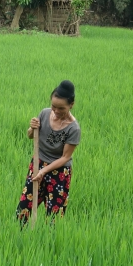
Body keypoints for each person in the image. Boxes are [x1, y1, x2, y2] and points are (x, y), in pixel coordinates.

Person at [16, 80, 80, 225]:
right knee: (24, 207)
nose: (56, 112)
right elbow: (30, 136)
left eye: (61, 108)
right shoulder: (44, 114)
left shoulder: (73, 129)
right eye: (54, 107)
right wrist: (32, 128)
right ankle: (20, 238)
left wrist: (44, 171)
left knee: (54, 217)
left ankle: (49, 244)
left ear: (71, 105)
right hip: (37, 165)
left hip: (59, 172)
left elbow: (65, 157)